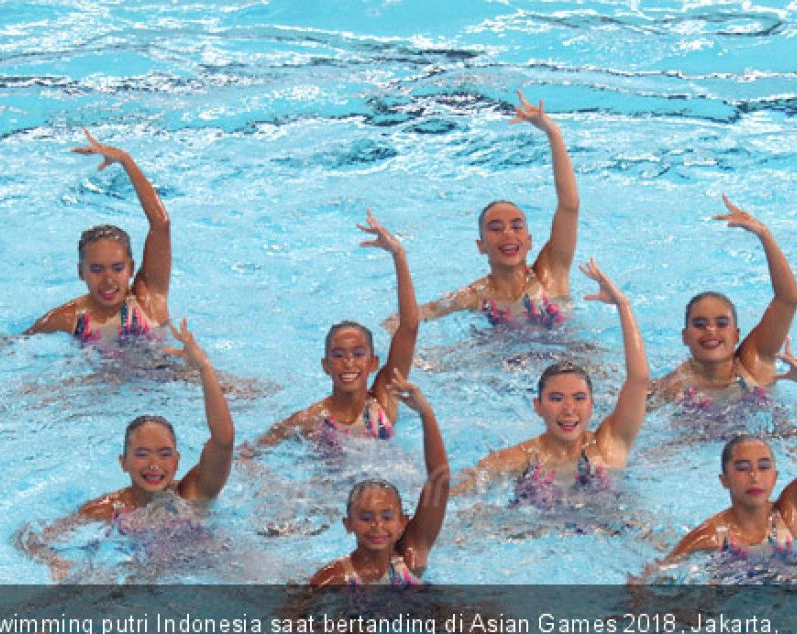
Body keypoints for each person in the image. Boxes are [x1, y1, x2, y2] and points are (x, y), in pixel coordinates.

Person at [16, 319, 234, 580]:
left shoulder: (193, 491)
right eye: (142, 454)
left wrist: (204, 368)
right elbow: (28, 539)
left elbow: (223, 440)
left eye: (164, 454)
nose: (154, 465)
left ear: (177, 461)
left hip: (215, 569)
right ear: (124, 462)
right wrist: (55, 562)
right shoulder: (108, 509)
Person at [0, 129, 170, 378]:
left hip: (164, 376)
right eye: (96, 269)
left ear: (130, 268)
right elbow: (14, 342)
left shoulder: (147, 298)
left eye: (117, 268)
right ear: (80, 273)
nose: (108, 280)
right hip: (103, 389)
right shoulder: (69, 317)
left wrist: (125, 160)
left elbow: (160, 225)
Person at [451, 259, 648, 501]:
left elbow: (638, 381)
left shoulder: (608, 446)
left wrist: (623, 305)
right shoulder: (520, 459)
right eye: (556, 399)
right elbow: (458, 492)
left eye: (579, 398)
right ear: (538, 406)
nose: (569, 409)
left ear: (592, 404)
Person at [387, 90, 579, 330]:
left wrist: (553, 133)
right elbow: (413, 316)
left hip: (567, 361)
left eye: (516, 226)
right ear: (481, 245)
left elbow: (569, 206)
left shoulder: (551, 273)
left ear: (529, 241)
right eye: (496, 228)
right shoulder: (475, 295)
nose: (508, 233)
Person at [240, 211, 417, 455]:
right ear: (325, 365)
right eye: (338, 355)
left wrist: (399, 254)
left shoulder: (384, 401)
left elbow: (409, 328)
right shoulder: (311, 419)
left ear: (373, 362)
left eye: (358, 353)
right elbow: (248, 453)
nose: (348, 363)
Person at [663, 342, 797, 561]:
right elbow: (656, 576)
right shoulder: (710, 537)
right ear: (724, 480)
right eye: (743, 468)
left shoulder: (788, 516)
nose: (755, 477)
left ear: (776, 477)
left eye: (764, 467)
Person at [649, 195, 797, 407]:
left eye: (722, 323)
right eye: (700, 324)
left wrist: (764, 235)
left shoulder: (754, 362)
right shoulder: (676, 384)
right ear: (685, 336)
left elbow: (788, 299)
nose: (711, 331)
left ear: (736, 334)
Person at [310, 370, 448, 586]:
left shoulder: (411, 557)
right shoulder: (332, 580)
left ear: (403, 522)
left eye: (387, 517)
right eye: (365, 518)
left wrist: (426, 414)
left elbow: (440, 480)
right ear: (348, 524)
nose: (377, 525)